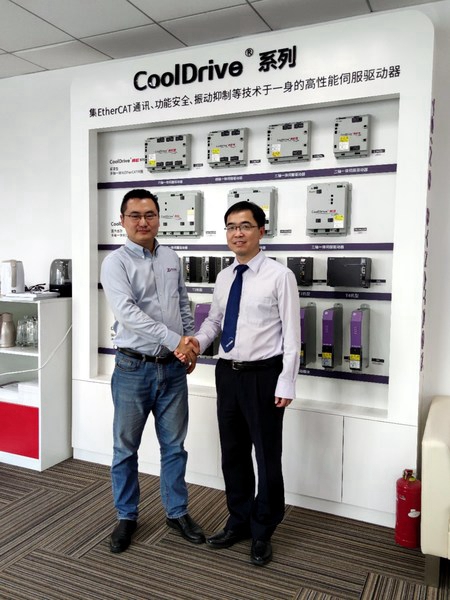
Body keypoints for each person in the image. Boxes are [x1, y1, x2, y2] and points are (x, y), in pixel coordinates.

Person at [179, 201, 300, 566]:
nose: (237, 233)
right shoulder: (225, 277)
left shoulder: (280, 276)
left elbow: (292, 335)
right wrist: (197, 341)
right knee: (232, 453)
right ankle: (239, 520)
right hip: (227, 374)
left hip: (264, 376)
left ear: (261, 231)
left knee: (266, 456)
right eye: (231, 227)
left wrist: (286, 382)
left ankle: (263, 530)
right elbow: (215, 321)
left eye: (245, 226)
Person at [100, 188, 204, 553]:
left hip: (173, 370)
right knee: (125, 448)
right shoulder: (115, 263)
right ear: (122, 220)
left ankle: (177, 512)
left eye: (150, 215)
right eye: (135, 215)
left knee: (174, 447)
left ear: (159, 218)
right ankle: (126, 516)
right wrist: (176, 340)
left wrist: (189, 344)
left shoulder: (171, 257)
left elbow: (182, 303)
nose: (143, 222)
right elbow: (128, 314)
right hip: (133, 368)